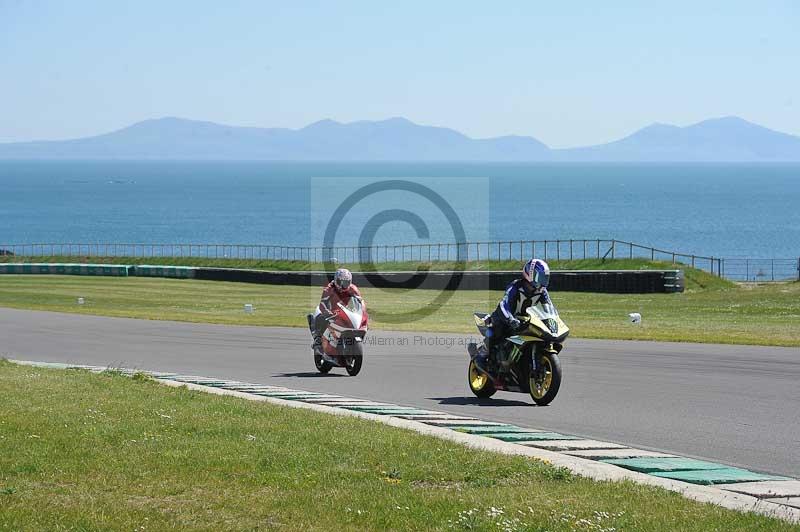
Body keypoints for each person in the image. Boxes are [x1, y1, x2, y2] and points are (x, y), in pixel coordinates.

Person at [476, 259, 551, 371]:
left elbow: (549, 307)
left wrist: (551, 320)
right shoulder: (515, 286)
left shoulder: (542, 291)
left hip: (523, 319)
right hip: (504, 317)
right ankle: (481, 356)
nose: (543, 281)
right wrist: (510, 319)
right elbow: (503, 305)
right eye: (540, 277)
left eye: (545, 278)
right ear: (530, 275)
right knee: (497, 330)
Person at [311, 268, 362, 351]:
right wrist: (326, 311)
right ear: (335, 280)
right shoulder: (329, 289)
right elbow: (322, 304)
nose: (343, 285)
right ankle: (318, 339)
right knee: (319, 314)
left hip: (347, 312)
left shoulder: (353, 289)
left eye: (346, 282)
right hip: (331, 312)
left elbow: (360, 302)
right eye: (340, 282)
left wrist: (362, 311)